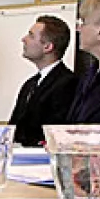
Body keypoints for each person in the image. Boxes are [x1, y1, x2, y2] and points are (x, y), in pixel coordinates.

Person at [8, 15, 77, 147]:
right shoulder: (29, 84)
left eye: (31, 36)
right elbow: (13, 129)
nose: (23, 39)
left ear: (47, 47)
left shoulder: (68, 84)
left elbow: (55, 135)